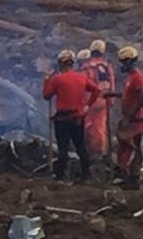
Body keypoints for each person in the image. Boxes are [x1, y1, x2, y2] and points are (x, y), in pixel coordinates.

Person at [42, 49, 101, 181]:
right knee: (80, 147)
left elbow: (46, 96)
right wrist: (87, 106)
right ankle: (86, 175)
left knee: (63, 148)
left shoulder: (57, 79)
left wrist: (46, 79)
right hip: (78, 118)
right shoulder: (82, 77)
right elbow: (96, 90)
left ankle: (60, 177)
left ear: (60, 64)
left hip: (63, 118)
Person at [115, 46, 143, 187]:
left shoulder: (138, 77)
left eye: (123, 62)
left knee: (135, 147)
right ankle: (128, 176)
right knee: (126, 147)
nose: (121, 65)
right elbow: (131, 96)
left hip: (135, 119)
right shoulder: (130, 77)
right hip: (130, 117)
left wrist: (130, 115)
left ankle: (134, 179)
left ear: (130, 61)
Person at [81, 39, 117, 160]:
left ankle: (91, 154)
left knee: (87, 127)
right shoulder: (107, 67)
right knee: (100, 129)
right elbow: (112, 84)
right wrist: (111, 101)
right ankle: (100, 153)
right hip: (104, 101)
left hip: (90, 101)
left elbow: (84, 85)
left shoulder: (87, 67)